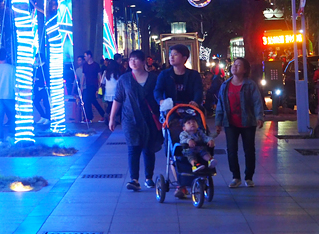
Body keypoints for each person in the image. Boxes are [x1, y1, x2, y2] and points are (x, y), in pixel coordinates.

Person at [109, 49, 163, 191]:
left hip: (150, 119)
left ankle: (149, 177)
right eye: (131, 59)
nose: (133, 62)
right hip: (130, 119)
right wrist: (112, 118)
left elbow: (159, 98)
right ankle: (134, 179)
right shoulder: (124, 79)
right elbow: (118, 99)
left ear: (144, 61)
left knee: (148, 149)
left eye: (136, 59)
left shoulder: (153, 79)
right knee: (133, 148)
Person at [154, 44, 204, 198]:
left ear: (184, 58)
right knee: (174, 147)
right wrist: (161, 101)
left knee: (198, 141)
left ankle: (199, 173)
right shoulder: (164, 74)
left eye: (175, 54)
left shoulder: (193, 75)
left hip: (190, 114)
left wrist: (195, 102)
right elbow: (157, 90)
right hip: (172, 115)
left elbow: (198, 91)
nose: (171, 57)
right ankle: (181, 184)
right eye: (170, 54)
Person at [215, 57, 265, 188]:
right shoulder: (225, 85)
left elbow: (257, 102)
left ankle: (249, 177)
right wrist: (218, 122)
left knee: (249, 150)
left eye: (238, 65)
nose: (234, 67)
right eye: (234, 64)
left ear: (245, 70)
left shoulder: (250, 85)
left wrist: (259, 117)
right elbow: (220, 104)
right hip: (230, 123)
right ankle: (235, 177)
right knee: (231, 150)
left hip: (248, 122)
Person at [0, 49, 15, 144]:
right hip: (10, 96)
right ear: (6, 56)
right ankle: (11, 135)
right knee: (13, 116)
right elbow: (14, 83)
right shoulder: (12, 68)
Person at [81, 50, 105, 122]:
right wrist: (82, 85)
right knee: (92, 100)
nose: (84, 57)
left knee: (86, 100)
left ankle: (89, 117)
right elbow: (83, 76)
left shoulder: (96, 65)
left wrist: (100, 85)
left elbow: (99, 75)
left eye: (85, 56)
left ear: (89, 56)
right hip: (87, 85)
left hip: (93, 85)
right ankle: (103, 115)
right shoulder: (85, 65)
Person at [33, 57, 50, 126]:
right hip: (39, 88)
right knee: (35, 101)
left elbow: (46, 77)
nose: (36, 60)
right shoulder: (38, 68)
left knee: (46, 103)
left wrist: (38, 79)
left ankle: (47, 118)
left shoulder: (45, 67)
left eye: (36, 58)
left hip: (44, 87)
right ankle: (43, 116)